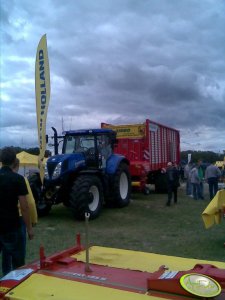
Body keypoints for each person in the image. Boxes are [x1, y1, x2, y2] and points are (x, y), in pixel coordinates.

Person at [0, 147, 34, 276]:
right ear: (14, 161)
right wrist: (29, 229)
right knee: (18, 262)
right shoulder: (18, 179)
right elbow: (25, 207)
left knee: (6, 260)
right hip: (12, 226)